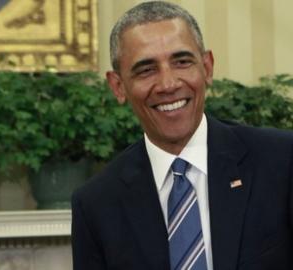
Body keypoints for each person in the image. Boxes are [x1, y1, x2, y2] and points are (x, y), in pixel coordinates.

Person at [71, 1, 293, 270]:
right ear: (118, 86)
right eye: (146, 70)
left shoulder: (282, 161)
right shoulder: (96, 203)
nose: (168, 84)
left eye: (182, 62)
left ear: (207, 67)